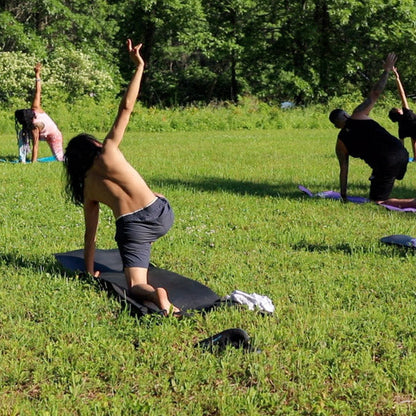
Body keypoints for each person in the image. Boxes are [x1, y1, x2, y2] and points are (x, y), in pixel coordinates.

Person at [64, 39, 181, 316]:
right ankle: (149, 242)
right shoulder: (109, 151)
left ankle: (156, 295)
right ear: (92, 146)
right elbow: (126, 107)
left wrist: (90, 269)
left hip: (132, 229)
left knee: (135, 285)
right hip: (161, 214)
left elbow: (90, 235)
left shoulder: (88, 189)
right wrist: (139, 66)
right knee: (156, 197)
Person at [329, 53, 409, 204]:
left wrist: (343, 195)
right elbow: (375, 93)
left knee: (377, 202)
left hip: (387, 162)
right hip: (401, 153)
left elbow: (344, 169)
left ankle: (410, 202)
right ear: (346, 115)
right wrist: (387, 70)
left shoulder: (341, 143)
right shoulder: (358, 114)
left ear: (336, 125)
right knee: (383, 175)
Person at [15, 63, 64, 163]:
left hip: (53, 135)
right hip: (42, 133)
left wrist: (33, 162)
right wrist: (37, 75)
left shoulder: (35, 125)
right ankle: (22, 159)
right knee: (22, 133)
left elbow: (35, 145)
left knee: (60, 159)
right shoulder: (35, 108)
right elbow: (38, 91)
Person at [388, 67, 416, 161]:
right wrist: (397, 78)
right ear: (399, 112)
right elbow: (402, 94)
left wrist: (402, 158)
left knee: (413, 137)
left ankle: (415, 157)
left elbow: (401, 145)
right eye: (398, 108)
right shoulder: (407, 113)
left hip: (413, 130)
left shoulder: (401, 127)